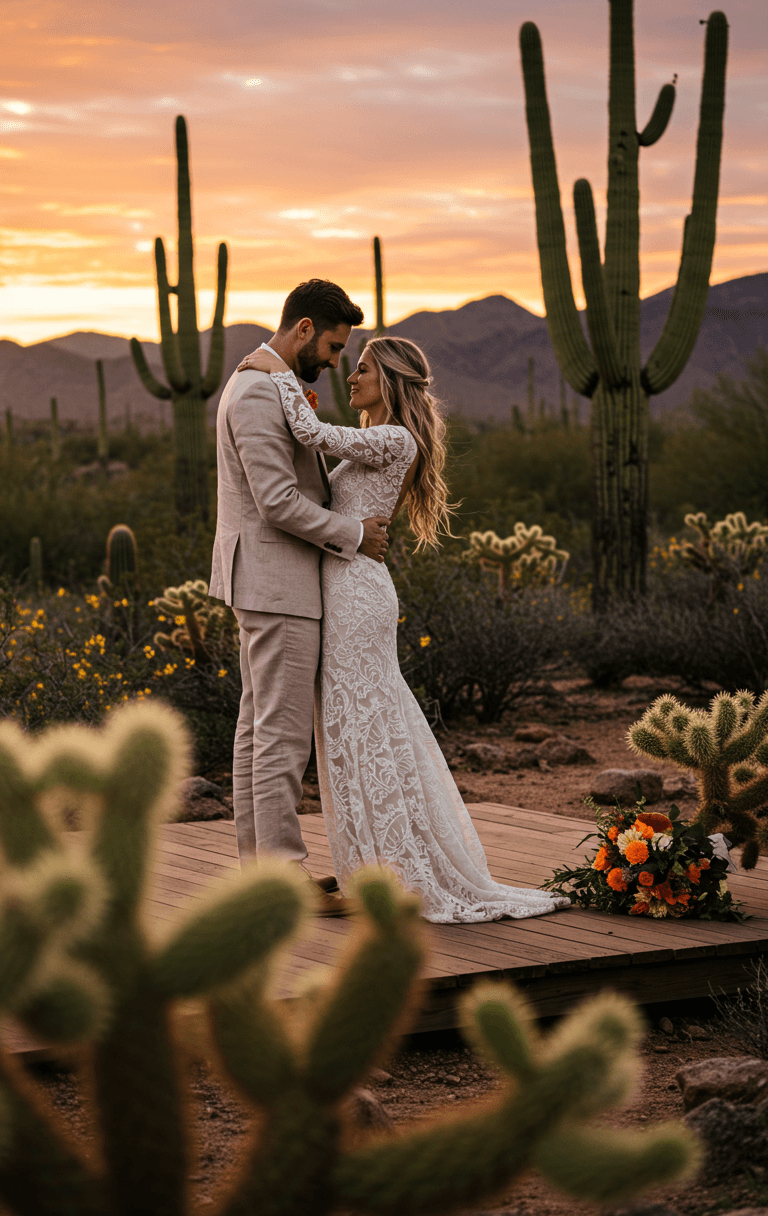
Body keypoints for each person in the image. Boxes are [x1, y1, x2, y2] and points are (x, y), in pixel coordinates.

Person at [236, 335, 569, 924]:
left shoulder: (393, 438)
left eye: (361, 369)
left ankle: (399, 863)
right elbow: (321, 445)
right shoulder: (377, 439)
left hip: (357, 594)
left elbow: (315, 436)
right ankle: (381, 859)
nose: (351, 377)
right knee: (353, 723)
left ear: (388, 380)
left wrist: (273, 369)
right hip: (342, 587)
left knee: (365, 720)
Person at [209, 279, 390, 915]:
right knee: (280, 736)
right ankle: (281, 877)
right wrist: (356, 536)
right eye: (336, 346)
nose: (338, 361)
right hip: (277, 582)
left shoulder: (265, 381)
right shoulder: (259, 390)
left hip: (262, 580)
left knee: (258, 730)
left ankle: (261, 872)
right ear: (305, 329)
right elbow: (278, 502)